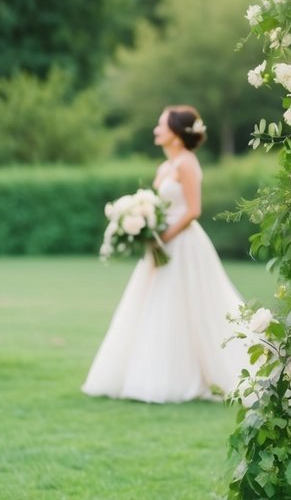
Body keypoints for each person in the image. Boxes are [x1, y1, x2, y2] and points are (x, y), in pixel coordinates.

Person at [82, 105, 248, 403]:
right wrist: (146, 230)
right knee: (153, 304)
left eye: (161, 125)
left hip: (184, 245)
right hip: (161, 245)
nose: (156, 130)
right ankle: (147, 375)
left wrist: (163, 238)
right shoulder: (165, 167)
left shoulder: (187, 163)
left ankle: (188, 377)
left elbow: (193, 210)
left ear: (176, 132)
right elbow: (161, 209)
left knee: (188, 304)